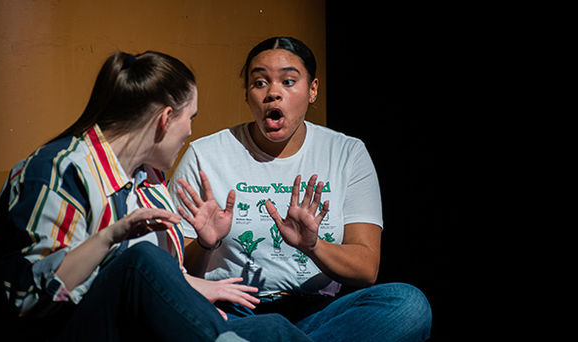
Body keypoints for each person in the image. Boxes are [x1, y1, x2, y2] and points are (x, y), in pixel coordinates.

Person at [0, 51, 312, 342]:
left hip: (133, 327)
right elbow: (27, 296)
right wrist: (111, 237)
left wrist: (199, 264)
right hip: (53, 331)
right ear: (165, 119)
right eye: (190, 118)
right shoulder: (58, 169)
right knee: (140, 260)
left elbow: (158, 283)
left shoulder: (150, 180)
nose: (190, 132)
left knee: (275, 330)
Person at [169, 37, 432, 341]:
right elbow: (175, 276)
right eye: (259, 83)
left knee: (408, 305)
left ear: (313, 90)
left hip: (319, 313)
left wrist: (312, 245)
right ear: (248, 94)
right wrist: (205, 244)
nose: (273, 93)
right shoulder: (206, 155)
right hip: (236, 311)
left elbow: (366, 268)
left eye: (289, 81)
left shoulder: (346, 153)